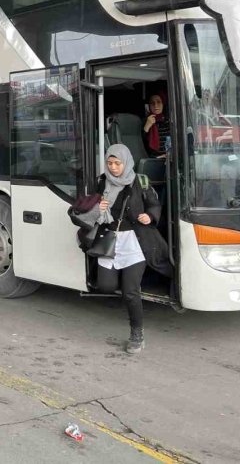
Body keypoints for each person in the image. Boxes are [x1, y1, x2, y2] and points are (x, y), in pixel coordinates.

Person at [95, 144, 172, 354]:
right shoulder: (102, 181)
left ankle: (137, 333)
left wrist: (150, 216)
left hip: (135, 241)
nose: (113, 168)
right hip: (110, 239)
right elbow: (90, 206)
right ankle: (124, 286)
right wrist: (97, 208)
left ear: (126, 162)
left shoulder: (140, 181)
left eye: (117, 163)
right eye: (110, 163)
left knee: (130, 291)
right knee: (105, 286)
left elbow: (154, 204)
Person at [143, 92, 171, 158]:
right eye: (152, 103)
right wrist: (146, 126)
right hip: (152, 160)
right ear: (149, 105)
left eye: (158, 102)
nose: (155, 105)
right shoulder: (145, 121)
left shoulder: (169, 121)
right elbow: (140, 145)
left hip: (169, 159)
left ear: (163, 104)